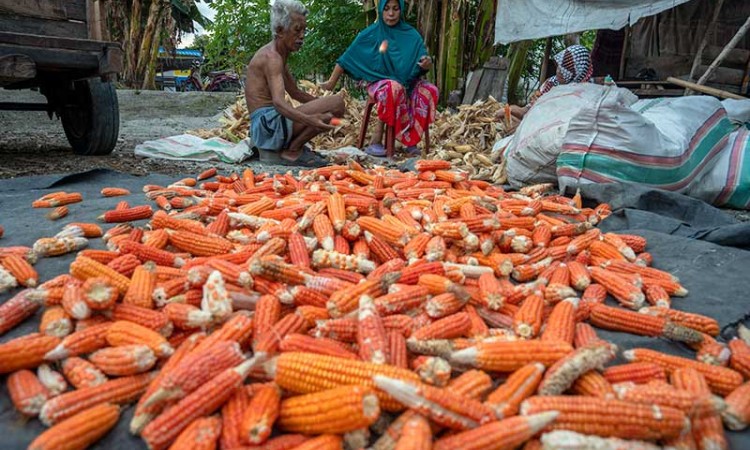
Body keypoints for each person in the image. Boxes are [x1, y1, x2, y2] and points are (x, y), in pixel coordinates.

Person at [320, 0, 438, 157]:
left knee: (430, 90)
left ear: (400, 10)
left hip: (408, 82)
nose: (391, 13)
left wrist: (426, 64)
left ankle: (411, 140)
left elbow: (423, 59)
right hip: (378, 81)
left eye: (395, 9)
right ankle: (376, 140)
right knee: (393, 88)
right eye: (387, 9)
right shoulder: (371, 33)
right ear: (381, 11)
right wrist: (330, 83)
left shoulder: (411, 34)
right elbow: (346, 58)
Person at [245, 0, 345, 167]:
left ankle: (291, 149)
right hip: (267, 126)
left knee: (331, 112)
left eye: (304, 30)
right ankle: (291, 151)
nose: (302, 36)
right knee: (337, 103)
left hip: (268, 125)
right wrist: (310, 120)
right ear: (279, 31)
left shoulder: (280, 55)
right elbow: (278, 103)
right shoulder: (272, 58)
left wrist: (323, 107)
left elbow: (295, 93)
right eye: (297, 30)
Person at [505, 44, 594, 125]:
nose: (559, 71)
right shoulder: (551, 83)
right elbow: (527, 110)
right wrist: (511, 110)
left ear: (579, 73)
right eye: (560, 65)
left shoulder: (582, 95)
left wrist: (542, 107)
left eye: (567, 69)